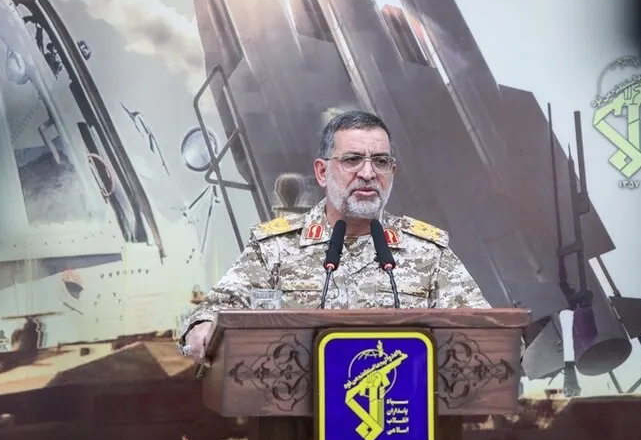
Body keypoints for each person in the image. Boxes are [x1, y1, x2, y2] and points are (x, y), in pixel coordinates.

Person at [178, 110, 491, 364]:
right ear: (322, 172)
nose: (368, 173)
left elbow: (485, 333)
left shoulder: (427, 252)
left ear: (392, 173)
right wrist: (202, 327)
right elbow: (214, 310)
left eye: (381, 161)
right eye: (352, 160)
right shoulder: (277, 248)